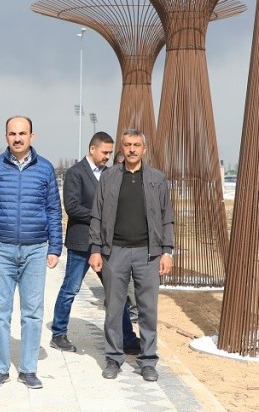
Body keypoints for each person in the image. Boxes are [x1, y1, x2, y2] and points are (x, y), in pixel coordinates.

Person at [0, 116, 62, 389]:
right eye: (12, 133)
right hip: (0, 249)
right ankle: (0, 368)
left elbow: (53, 210)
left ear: (32, 136)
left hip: (36, 249)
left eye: (23, 133)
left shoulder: (45, 169)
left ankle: (28, 368)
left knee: (33, 312)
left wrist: (55, 246)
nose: (18, 138)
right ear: (6, 137)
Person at [90, 129, 172, 383]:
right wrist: (95, 249)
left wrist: (167, 252)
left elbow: (167, 217)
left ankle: (148, 361)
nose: (132, 149)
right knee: (114, 308)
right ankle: (113, 359)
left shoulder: (158, 179)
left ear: (144, 149)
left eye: (137, 144)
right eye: (127, 145)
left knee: (148, 309)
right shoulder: (109, 178)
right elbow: (97, 214)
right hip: (115, 253)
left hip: (149, 254)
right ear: (122, 149)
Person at [49, 131, 140, 355]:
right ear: (92, 149)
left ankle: (127, 338)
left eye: (110, 152)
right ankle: (58, 333)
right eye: (105, 152)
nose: (108, 156)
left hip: (107, 244)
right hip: (81, 243)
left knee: (116, 292)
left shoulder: (113, 173)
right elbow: (71, 207)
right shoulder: (75, 173)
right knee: (70, 289)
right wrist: (101, 216)